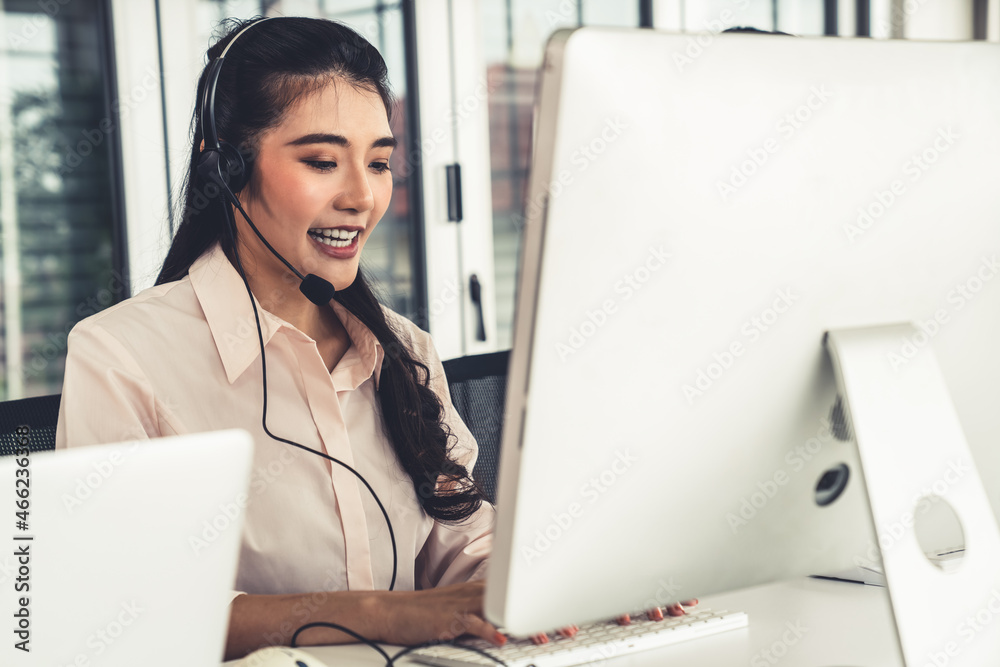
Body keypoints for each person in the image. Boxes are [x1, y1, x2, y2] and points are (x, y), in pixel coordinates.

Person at [55, 15, 692, 660]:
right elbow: (130, 611)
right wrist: (391, 614)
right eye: (323, 161)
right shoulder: (121, 356)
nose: (363, 196)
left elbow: (461, 550)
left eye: (381, 162)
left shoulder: (403, 351)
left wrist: (571, 583)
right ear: (225, 169)